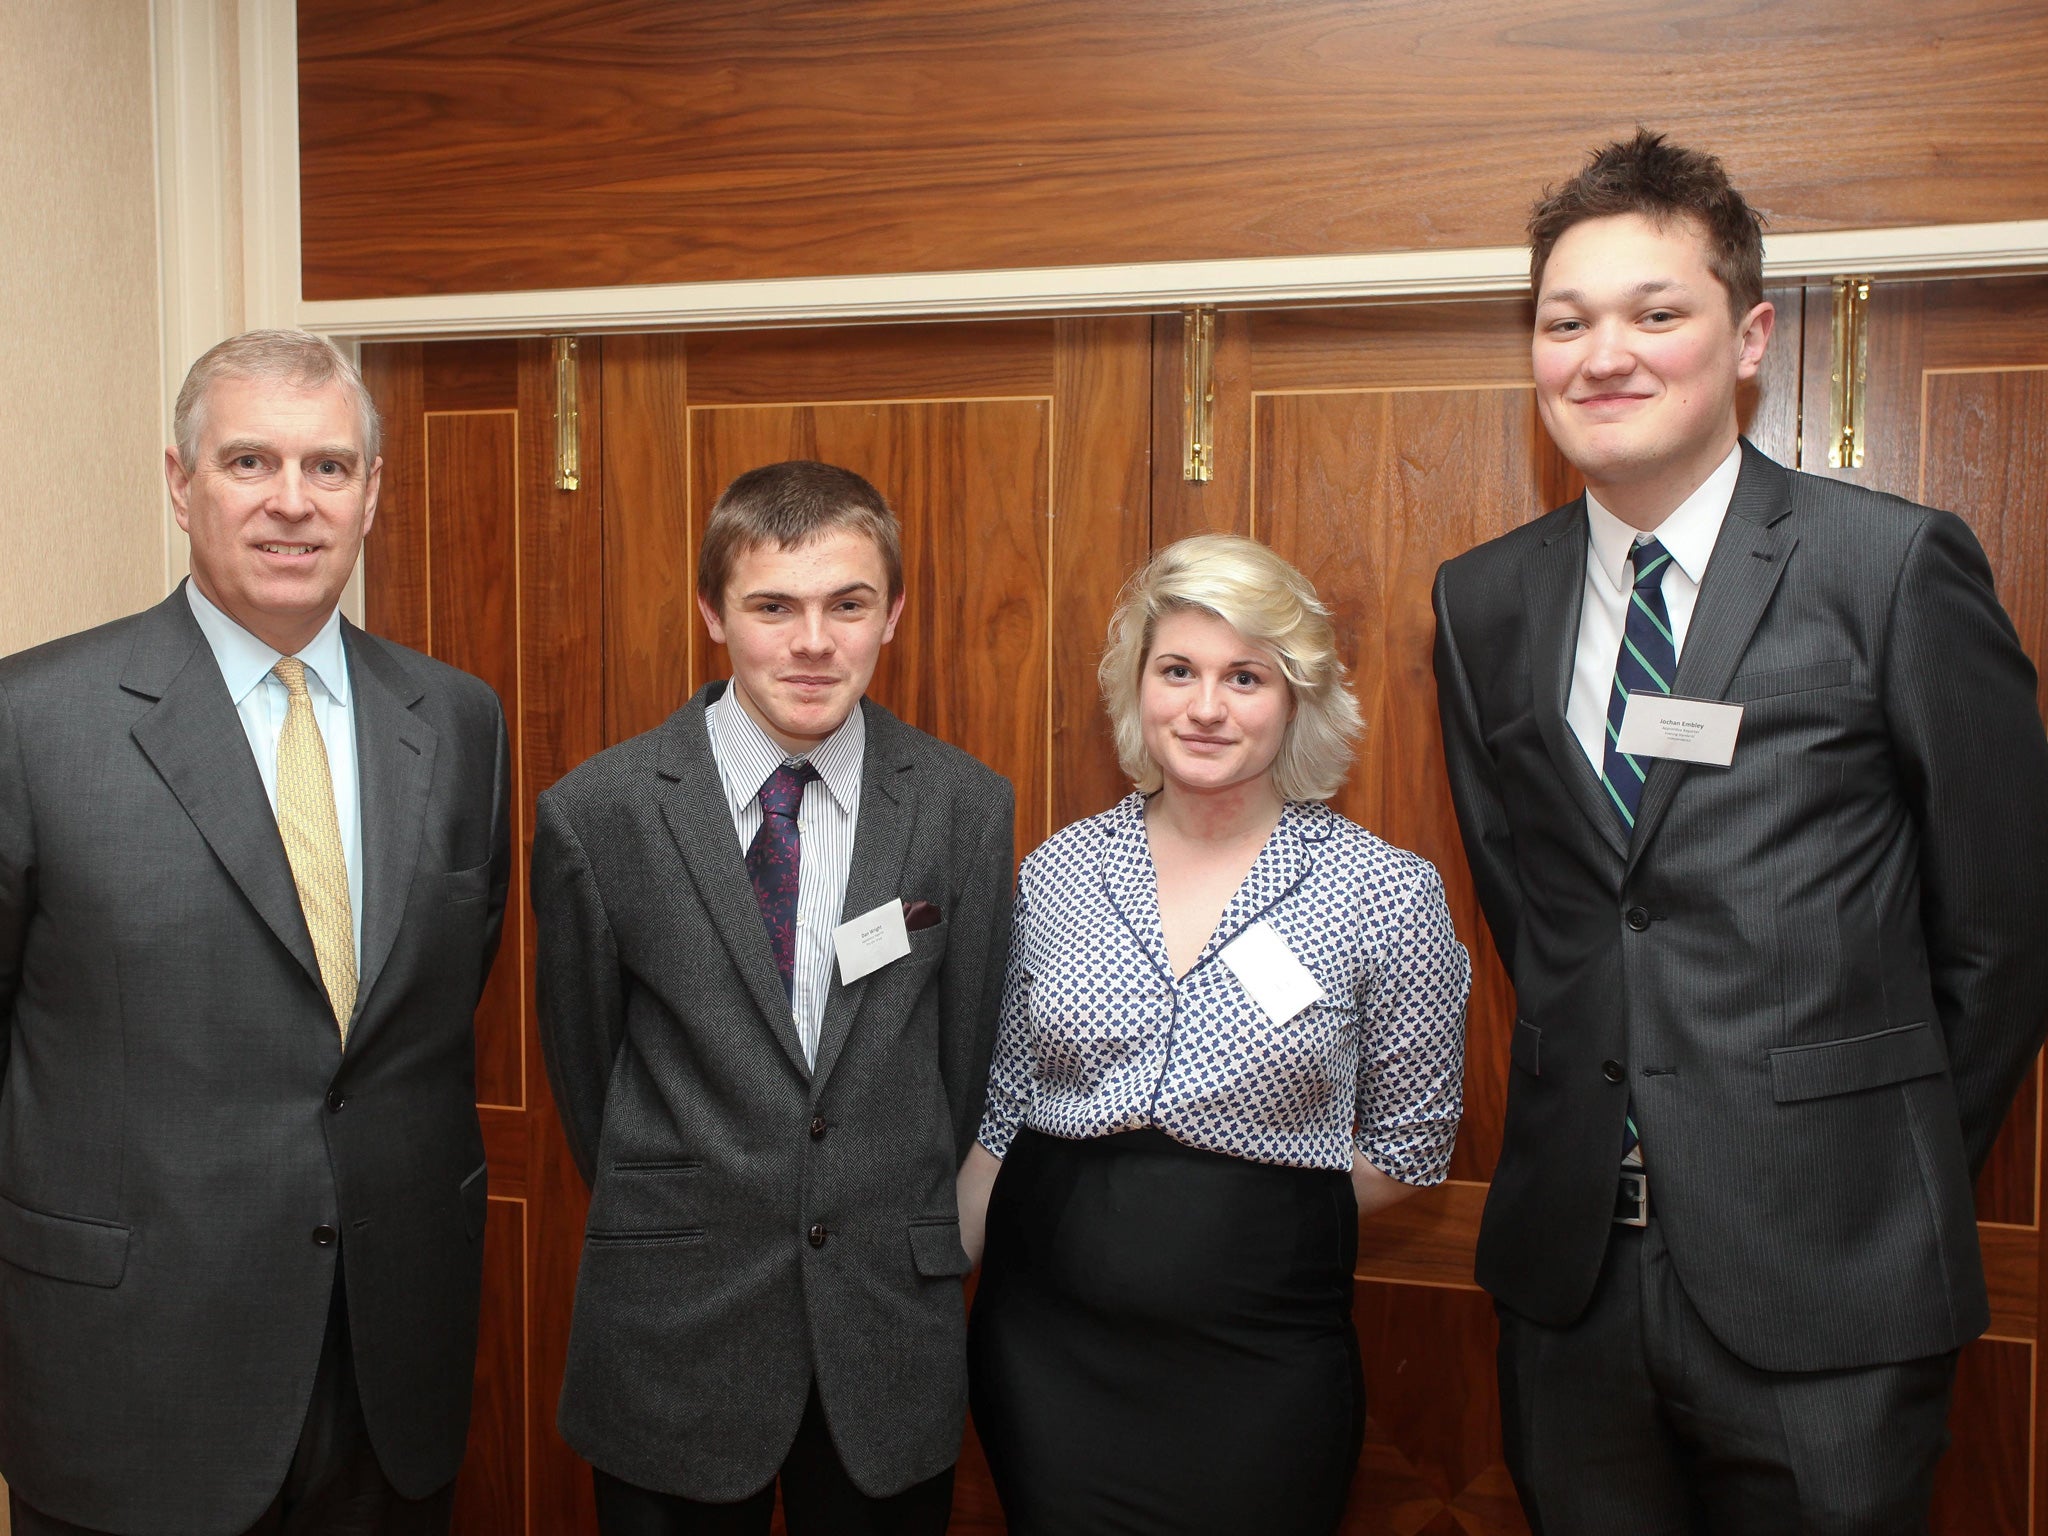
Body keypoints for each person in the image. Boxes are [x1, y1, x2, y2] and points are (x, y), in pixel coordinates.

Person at [1433, 129, 2048, 1533]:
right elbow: (1543, 910)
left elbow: (2008, 932)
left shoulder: (1888, 567)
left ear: (1751, 336)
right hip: (1572, 1280)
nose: (1605, 355)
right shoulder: (1481, 602)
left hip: (1835, 1281)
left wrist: (1877, 1178)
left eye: (1657, 313)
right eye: (1565, 320)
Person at [0, 329, 512, 1535]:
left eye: (330, 468)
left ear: (373, 494)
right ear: (178, 483)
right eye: (249, 463)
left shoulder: (457, 719)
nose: (294, 503)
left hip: (387, 1367)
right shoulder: (32, 723)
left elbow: (434, 1002)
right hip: (131, 1371)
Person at [532, 459, 1016, 1536]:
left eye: (846, 604)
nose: (812, 641)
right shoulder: (598, 814)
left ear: (892, 613)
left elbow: (966, 1058)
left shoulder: (962, 808)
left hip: (885, 1335)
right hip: (673, 1328)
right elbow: (586, 1072)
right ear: (712, 612)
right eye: (772, 606)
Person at [961, 533, 1469, 1536]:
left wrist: (1243, 1217)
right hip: (1044, 1345)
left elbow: (1413, 1143)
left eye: (1244, 677)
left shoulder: (1383, 893)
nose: (1204, 707)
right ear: (1135, 689)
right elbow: (1003, 1110)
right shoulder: (1056, 873)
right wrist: (925, 1291)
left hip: (1261, 1353)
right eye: (1176, 671)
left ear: (1295, 700)